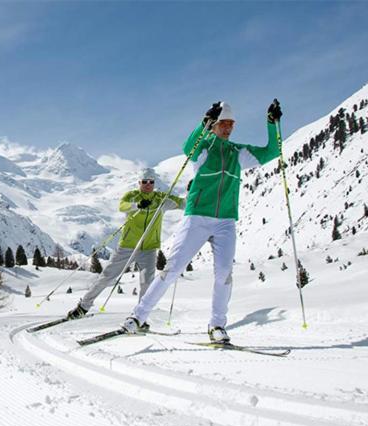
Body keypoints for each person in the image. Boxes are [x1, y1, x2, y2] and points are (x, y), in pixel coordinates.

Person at [122, 100, 282, 343]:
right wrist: (204, 124)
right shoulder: (204, 147)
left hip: (225, 221)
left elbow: (273, 151)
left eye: (231, 124)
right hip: (197, 217)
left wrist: (273, 124)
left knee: (224, 274)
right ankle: (138, 316)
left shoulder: (238, 153)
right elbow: (189, 148)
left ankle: (217, 325)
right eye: (223, 123)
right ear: (215, 125)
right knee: (172, 269)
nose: (228, 128)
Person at [65, 168, 184, 319]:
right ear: (139, 183)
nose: (148, 185)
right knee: (106, 277)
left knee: (147, 283)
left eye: (151, 182)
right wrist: (137, 205)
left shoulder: (162, 199)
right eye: (144, 182)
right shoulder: (132, 196)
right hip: (127, 246)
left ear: (155, 183)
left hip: (149, 249)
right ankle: (83, 307)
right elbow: (122, 206)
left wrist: (193, 190)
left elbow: (184, 203)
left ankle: (140, 317)